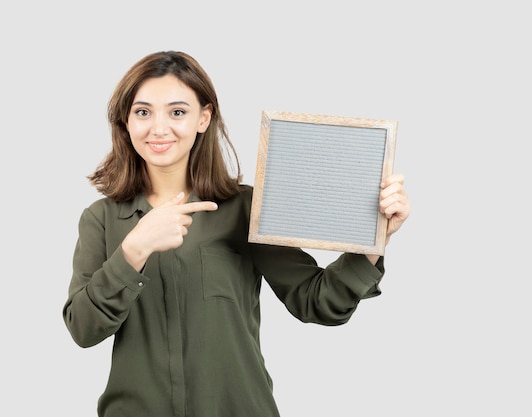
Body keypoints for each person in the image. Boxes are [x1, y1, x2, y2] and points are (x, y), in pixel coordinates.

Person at [62, 50, 410, 417]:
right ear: (126, 121)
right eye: (143, 112)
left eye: (177, 112)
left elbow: (317, 301)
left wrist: (375, 240)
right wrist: (134, 250)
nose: (159, 128)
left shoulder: (246, 209)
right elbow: (84, 329)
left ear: (203, 117)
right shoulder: (100, 219)